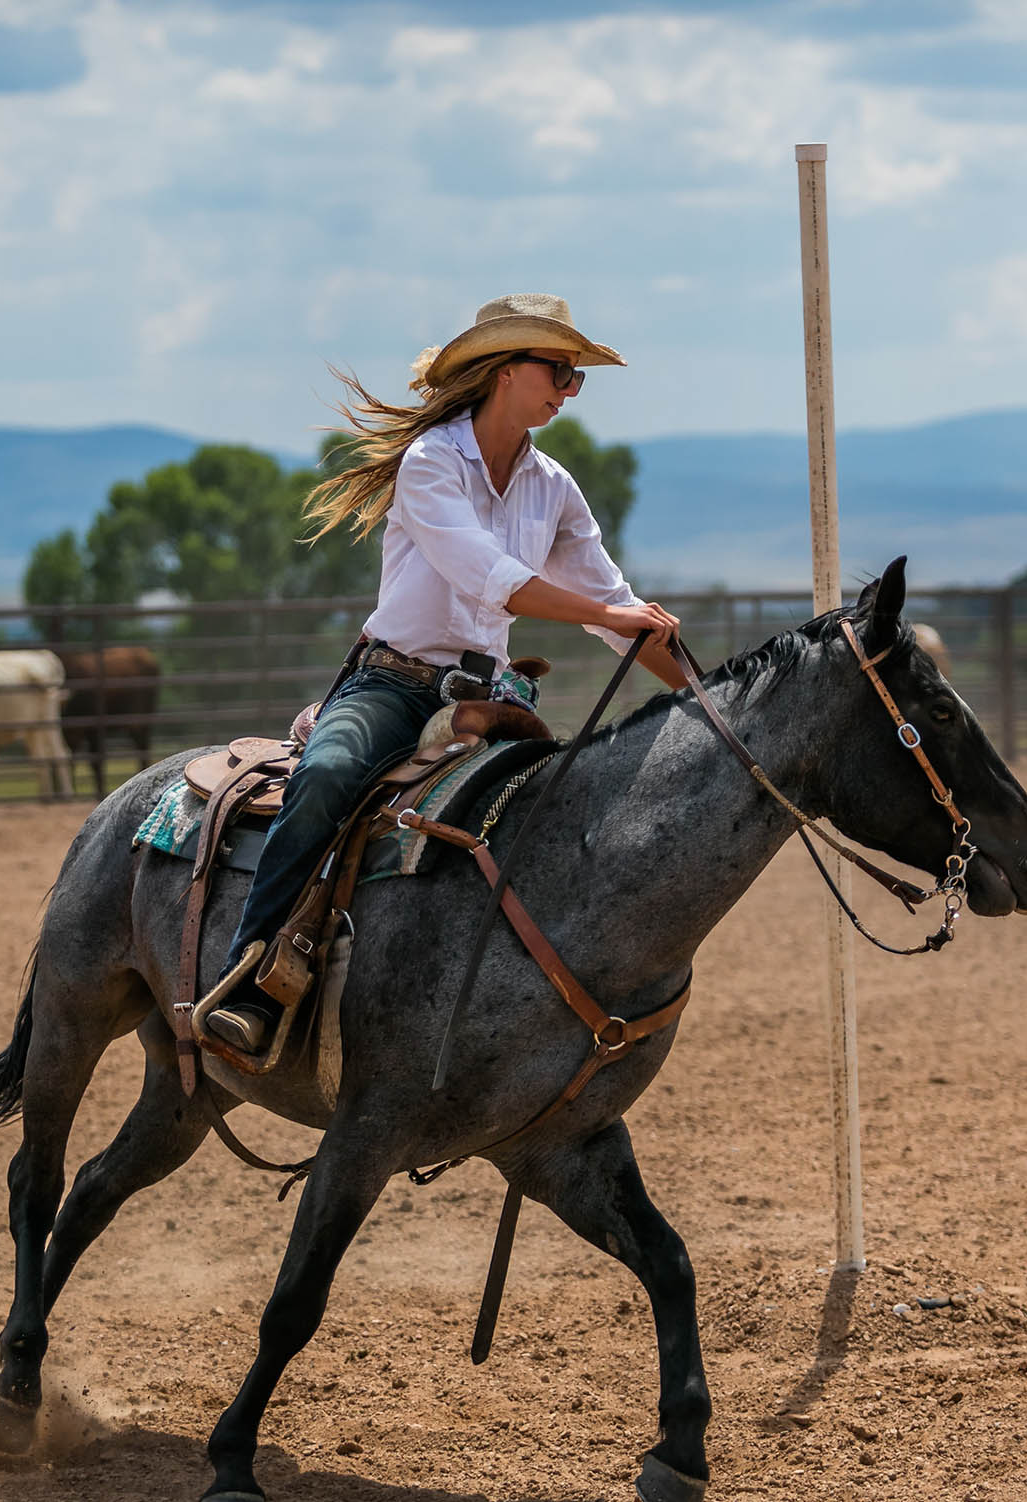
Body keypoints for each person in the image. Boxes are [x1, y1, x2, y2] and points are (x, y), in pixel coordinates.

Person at [204, 292, 683, 1053]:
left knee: (556, 820)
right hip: (392, 684)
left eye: (574, 377)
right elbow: (488, 577)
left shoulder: (553, 486)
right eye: (557, 370)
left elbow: (609, 605)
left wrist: (705, 697)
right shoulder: (430, 463)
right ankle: (252, 978)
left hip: (488, 699)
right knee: (327, 775)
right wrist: (622, 618)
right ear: (504, 371)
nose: (567, 389)